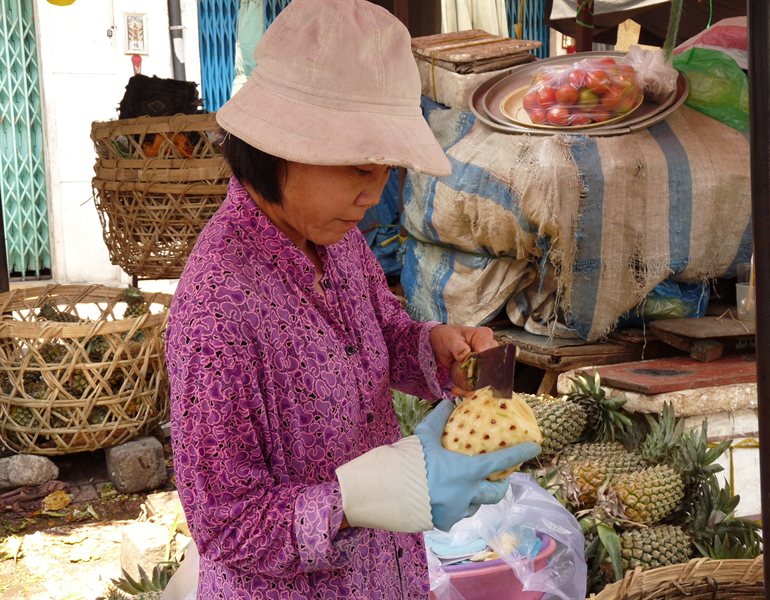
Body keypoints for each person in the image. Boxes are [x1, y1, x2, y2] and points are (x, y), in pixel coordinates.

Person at [163, 1, 541, 598]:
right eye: (356, 169)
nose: (373, 193)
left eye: (385, 169)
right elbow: (227, 527)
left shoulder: (333, 241)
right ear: (277, 148)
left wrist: (433, 346)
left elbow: (379, 331)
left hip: (388, 576)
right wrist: (363, 498)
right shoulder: (217, 310)